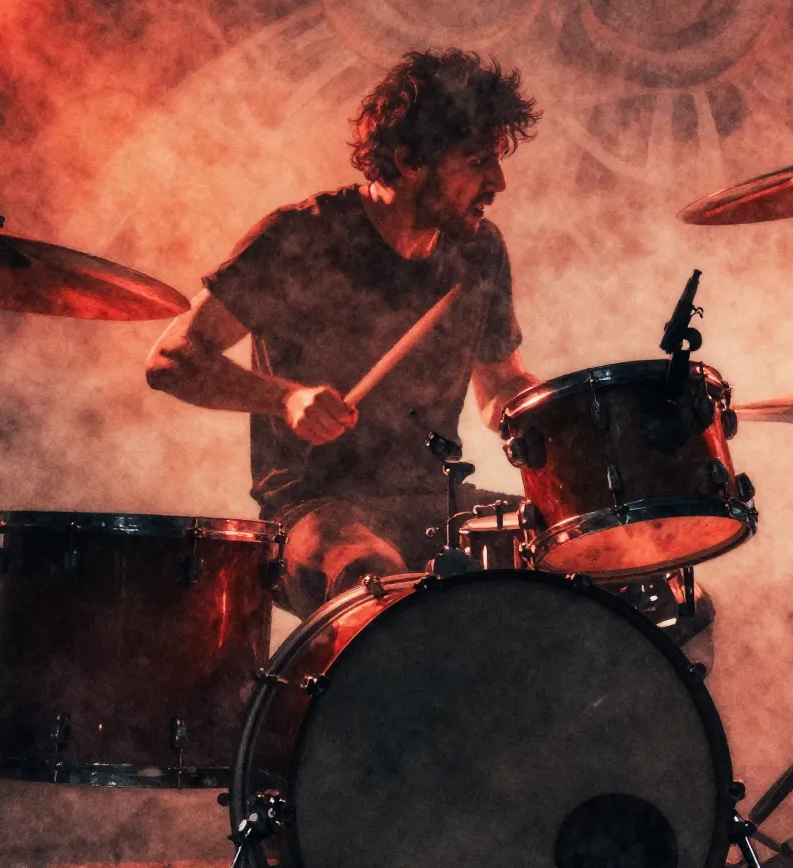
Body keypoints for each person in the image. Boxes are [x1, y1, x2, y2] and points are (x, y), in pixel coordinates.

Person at [145, 49, 541, 616]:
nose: (497, 181)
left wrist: (566, 420)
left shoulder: (480, 250)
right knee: (375, 577)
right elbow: (171, 358)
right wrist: (285, 398)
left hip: (438, 502)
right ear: (409, 161)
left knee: (577, 551)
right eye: (478, 161)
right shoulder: (302, 238)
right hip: (313, 510)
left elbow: (500, 388)